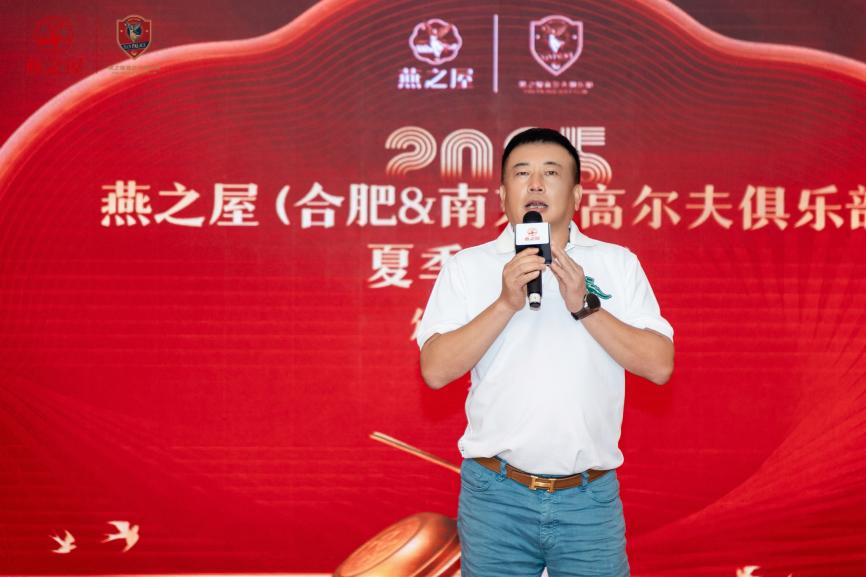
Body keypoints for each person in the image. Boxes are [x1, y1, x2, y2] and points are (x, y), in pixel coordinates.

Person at [415, 128, 674, 577]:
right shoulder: (467, 267)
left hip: (588, 498)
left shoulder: (617, 262)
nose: (535, 184)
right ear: (502, 194)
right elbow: (435, 370)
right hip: (496, 496)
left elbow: (659, 365)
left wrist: (585, 306)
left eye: (550, 173)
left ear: (576, 194)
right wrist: (504, 304)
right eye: (521, 173)